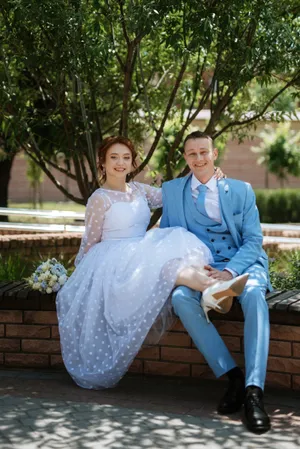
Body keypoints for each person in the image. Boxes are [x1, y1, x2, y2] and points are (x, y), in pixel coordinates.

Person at [56, 135, 248, 391]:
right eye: (114, 158)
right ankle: (213, 288)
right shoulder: (99, 199)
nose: (120, 163)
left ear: (133, 162)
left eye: (126, 157)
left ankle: (213, 288)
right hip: (114, 260)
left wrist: (211, 176)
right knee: (169, 267)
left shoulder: (139, 190)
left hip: (141, 248)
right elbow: (89, 243)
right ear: (102, 163)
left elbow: (177, 194)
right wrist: (79, 277)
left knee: (177, 254)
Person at [160, 131, 272, 434]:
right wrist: (193, 269)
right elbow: (168, 239)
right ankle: (232, 376)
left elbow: (253, 241)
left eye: (203, 152)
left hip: (242, 264)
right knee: (181, 298)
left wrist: (231, 271)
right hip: (202, 268)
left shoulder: (240, 190)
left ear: (214, 153)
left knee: (253, 296)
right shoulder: (170, 192)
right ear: (185, 157)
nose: (198, 159)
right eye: (192, 153)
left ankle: (253, 391)